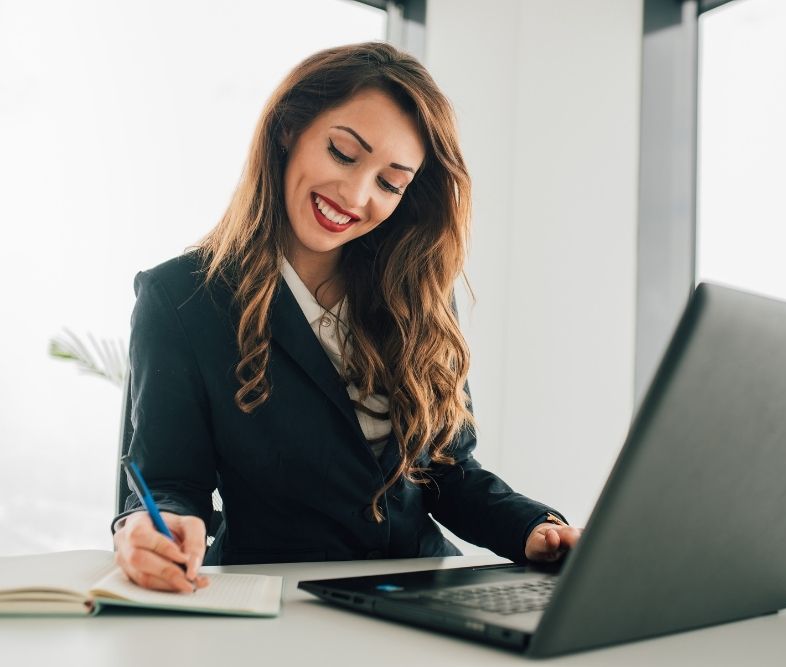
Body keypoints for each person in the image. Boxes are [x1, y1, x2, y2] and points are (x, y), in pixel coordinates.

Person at [111, 42, 580, 593]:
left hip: (422, 593)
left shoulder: (418, 294)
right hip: (279, 602)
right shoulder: (181, 296)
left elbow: (450, 473)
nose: (355, 195)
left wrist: (534, 528)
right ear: (289, 129)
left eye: (390, 183)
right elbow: (168, 481)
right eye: (342, 153)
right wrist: (151, 525)